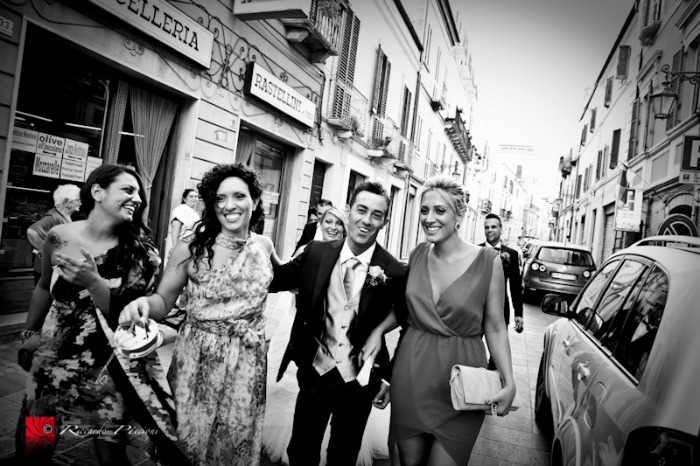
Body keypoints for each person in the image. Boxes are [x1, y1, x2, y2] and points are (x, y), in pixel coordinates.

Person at [19, 164, 185, 465]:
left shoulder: (142, 254)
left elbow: (131, 317)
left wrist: (94, 282)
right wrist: (29, 333)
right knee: (35, 446)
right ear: (97, 191)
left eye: (139, 193)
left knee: (110, 455)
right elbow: (44, 287)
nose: (137, 198)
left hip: (107, 368)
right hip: (52, 360)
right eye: (128, 189)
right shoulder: (59, 236)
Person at [120, 163, 278, 465]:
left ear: (255, 200)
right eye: (220, 198)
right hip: (198, 360)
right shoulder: (191, 248)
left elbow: (292, 279)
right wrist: (144, 305)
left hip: (247, 362)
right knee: (188, 442)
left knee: (234, 443)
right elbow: (163, 300)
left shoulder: (264, 246)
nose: (229, 206)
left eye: (239, 196)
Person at [364, 176, 516, 466]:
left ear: (459, 215)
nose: (429, 218)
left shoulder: (488, 261)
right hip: (411, 376)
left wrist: (509, 382)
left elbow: (496, 327)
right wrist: (378, 331)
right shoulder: (418, 254)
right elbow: (405, 311)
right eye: (424, 210)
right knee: (408, 461)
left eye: (440, 211)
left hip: (462, 384)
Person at [269, 181, 407, 466]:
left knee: (343, 457)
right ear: (349, 210)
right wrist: (261, 246)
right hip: (314, 374)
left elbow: (409, 321)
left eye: (376, 215)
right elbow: (276, 279)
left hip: (359, 381)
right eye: (361, 210)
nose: (366, 220)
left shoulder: (394, 270)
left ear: (385, 222)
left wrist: (388, 376)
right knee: (301, 452)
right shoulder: (316, 252)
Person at [262, 205, 348, 465]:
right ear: (320, 223)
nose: (333, 227)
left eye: (339, 223)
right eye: (328, 221)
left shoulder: (355, 257)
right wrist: (262, 249)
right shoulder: (310, 250)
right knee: (304, 411)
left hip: (342, 350)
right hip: (308, 340)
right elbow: (282, 279)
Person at [26, 184, 81, 284]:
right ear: (66, 201)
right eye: (77, 200)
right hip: (47, 271)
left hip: (54, 270)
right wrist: (46, 251)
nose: (80, 203)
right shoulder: (54, 217)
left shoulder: (64, 216)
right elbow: (32, 232)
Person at [481, 213, 524, 332]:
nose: (489, 230)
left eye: (493, 227)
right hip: (477, 310)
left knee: (501, 344)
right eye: (486, 227)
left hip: (500, 309)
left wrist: (518, 313)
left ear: (501, 229)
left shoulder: (512, 255)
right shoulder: (476, 251)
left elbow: (515, 286)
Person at [163, 189, 200, 266]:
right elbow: (175, 226)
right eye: (191, 196)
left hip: (187, 245)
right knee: (174, 265)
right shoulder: (182, 209)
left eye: (196, 196)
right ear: (184, 199)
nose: (194, 198)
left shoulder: (194, 212)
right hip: (178, 242)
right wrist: (175, 247)